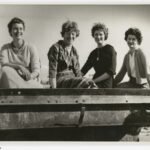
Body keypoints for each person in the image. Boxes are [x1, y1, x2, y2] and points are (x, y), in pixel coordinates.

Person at [47, 20, 97, 88]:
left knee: (89, 83)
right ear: (63, 34)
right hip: (60, 80)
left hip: (73, 81)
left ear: (76, 35)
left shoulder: (74, 52)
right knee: (86, 82)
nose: (70, 36)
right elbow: (52, 71)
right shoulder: (55, 48)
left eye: (73, 34)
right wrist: (54, 91)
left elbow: (78, 73)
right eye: (68, 33)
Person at [0, 17, 42, 88]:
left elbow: (36, 70)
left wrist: (29, 77)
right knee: (5, 70)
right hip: (11, 81)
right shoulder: (5, 48)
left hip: (28, 81)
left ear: (23, 31)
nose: (18, 31)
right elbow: (4, 65)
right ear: (10, 31)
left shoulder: (31, 47)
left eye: (21, 28)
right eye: (15, 29)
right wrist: (19, 67)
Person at [81, 23, 117, 88]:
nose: (98, 37)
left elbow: (110, 72)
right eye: (96, 34)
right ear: (93, 36)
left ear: (105, 35)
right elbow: (84, 70)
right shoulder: (93, 53)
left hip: (106, 83)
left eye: (101, 34)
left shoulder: (110, 49)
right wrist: (73, 79)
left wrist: (93, 81)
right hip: (95, 82)